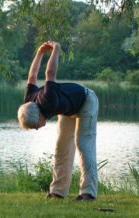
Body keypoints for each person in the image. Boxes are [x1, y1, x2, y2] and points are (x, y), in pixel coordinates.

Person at [17, 41, 99, 201]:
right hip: (68, 109)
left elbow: (50, 73)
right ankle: (57, 192)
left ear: (39, 115)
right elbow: (32, 76)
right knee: (61, 148)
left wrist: (56, 49)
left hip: (86, 101)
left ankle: (88, 193)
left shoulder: (48, 100)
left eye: (35, 126)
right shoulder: (29, 100)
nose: (37, 129)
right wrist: (39, 52)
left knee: (84, 144)